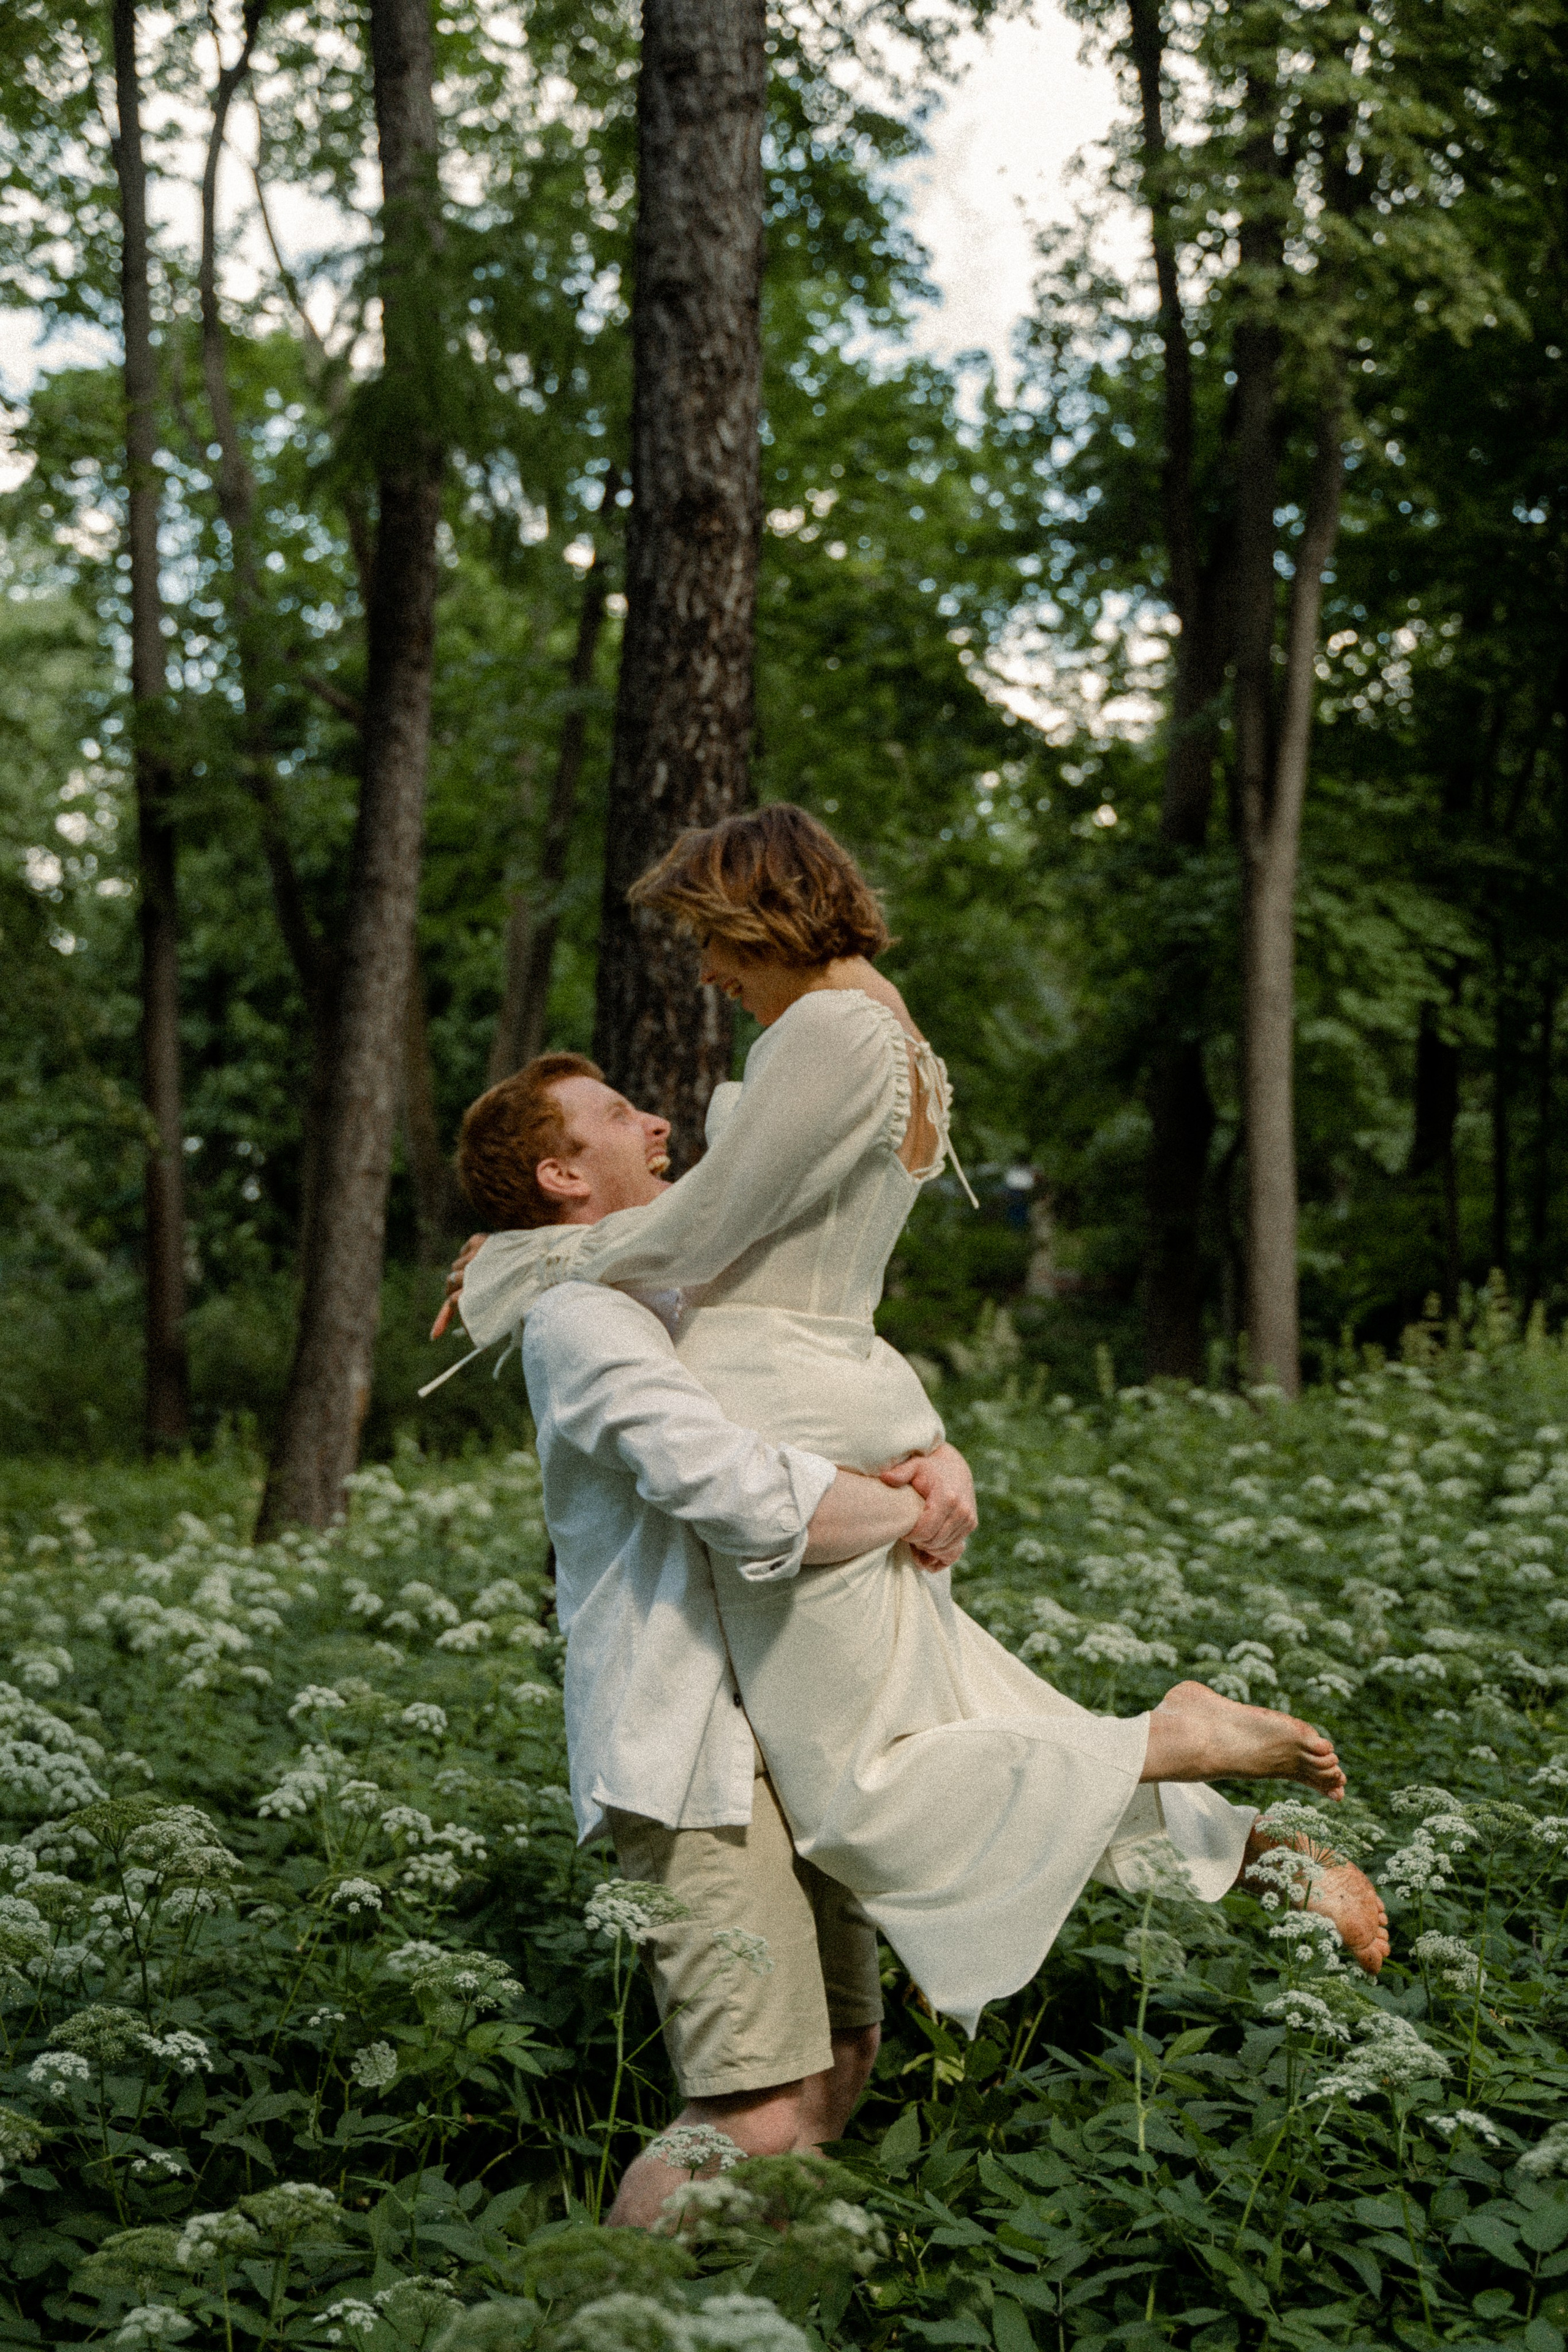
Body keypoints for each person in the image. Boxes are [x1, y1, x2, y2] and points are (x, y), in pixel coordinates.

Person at [448, 806, 1390, 2034]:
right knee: (965, 1717)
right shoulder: (891, 1031)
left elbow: (701, 1230)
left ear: (757, 913)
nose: (708, 975)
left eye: (710, 942)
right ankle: (1252, 1854)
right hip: (847, 1381)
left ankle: (1162, 1737)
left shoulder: (828, 1031)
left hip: (776, 1400)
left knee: (853, 1793)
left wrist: (516, 1267)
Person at [445, 1054, 978, 2227]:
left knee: (840, 2060)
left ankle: (756, 2306)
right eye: (617, 1116)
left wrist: (934, 1458)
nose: (659, 1120)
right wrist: (903, 1513)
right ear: (558, 1173)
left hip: (800, 1717)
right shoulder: (580, 1321)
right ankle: (606, 2314)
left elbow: (823, 1378)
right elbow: (727, 1482)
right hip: (693, 1754)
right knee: (750, 2108)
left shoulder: (683, 1298)